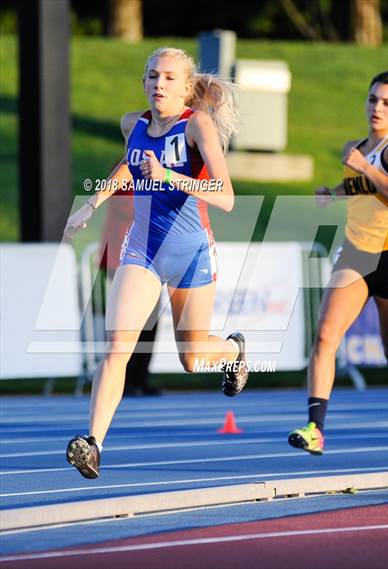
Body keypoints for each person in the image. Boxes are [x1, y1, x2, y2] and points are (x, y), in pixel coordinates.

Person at [63, 47, 249, 479]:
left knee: (192, 356)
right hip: (142, 250)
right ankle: (92, 443)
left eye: (168, 77)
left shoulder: (197, 125)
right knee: (116, 347)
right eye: (152, 76)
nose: (158, 84)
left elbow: (226, 196)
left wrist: (167, 175)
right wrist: (91, 204)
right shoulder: (134, 124)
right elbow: (129, 166)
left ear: (186, 87)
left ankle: (234, 351)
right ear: (143, 83)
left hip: (190, 253)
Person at [289, 71, 388, 455]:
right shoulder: (355, 148)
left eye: (385, 102)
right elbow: (358, 188)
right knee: (326, 336)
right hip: (356, 254)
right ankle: (316, 428)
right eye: (372, 99)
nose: (376, 108)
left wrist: (366, 168)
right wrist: (332, 192)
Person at [99, 186, 161, 397]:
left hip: (150, 257)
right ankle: (123, 378)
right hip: (123, 255)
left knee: (150, 321)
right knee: (126, 324)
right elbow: (129, 207)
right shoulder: (129, 169)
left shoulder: (159, 169)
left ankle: (140, 376)